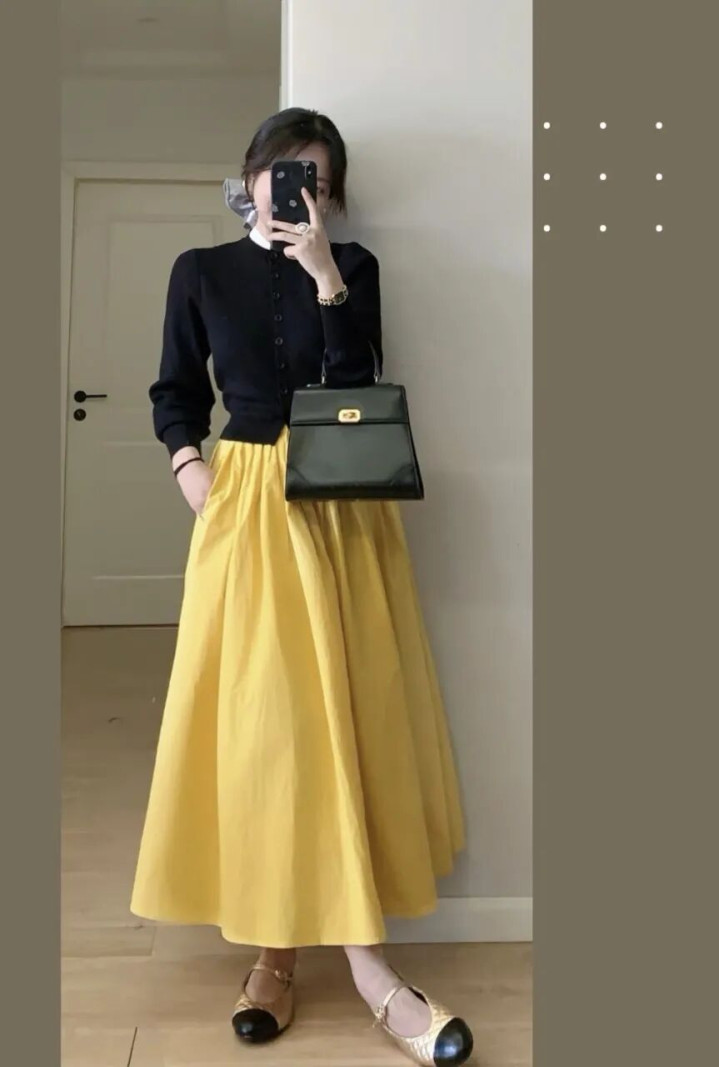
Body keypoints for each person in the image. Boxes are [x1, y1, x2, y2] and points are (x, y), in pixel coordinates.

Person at [130, 107, 473, 1066]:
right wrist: (190, 470)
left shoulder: (353, 266)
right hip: (244, 505)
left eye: (316, 181)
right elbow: (172, 390)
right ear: (251, 176)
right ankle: (287, 953)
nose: (299, 192)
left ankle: (318, 960)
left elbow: (356, 379)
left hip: (341, 507)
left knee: (343, 716)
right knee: (265, 725)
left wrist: (324, 274)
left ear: (333, 194)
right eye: (286, 173)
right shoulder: (200, 270)